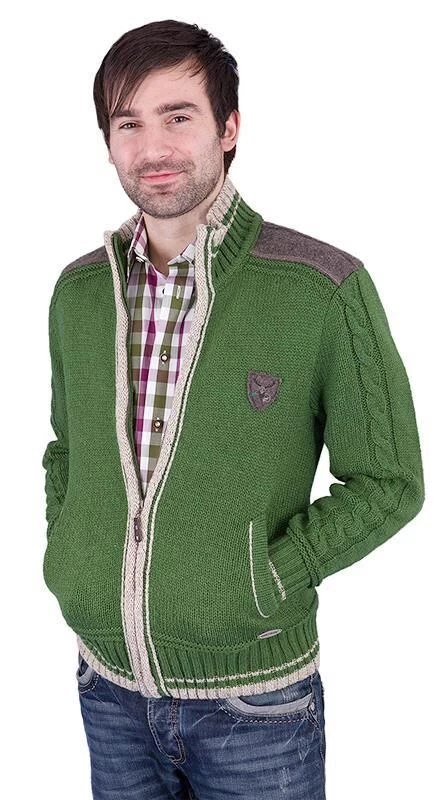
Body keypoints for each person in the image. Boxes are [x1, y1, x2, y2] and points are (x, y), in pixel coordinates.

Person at [41, 18, 425, 800]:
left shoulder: (319, 286)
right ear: (107, 142)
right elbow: (66, 451)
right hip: (105, 689)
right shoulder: (78, 292)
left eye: (177, 116)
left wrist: (269, 577)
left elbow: (389, 482)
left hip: (255, 707)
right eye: (128, 123)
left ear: (228, 127)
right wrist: (72, 559)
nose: (152, 147)